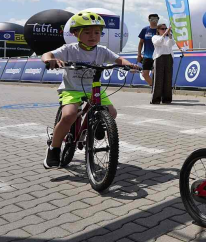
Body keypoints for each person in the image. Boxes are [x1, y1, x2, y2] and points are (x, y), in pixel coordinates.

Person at [41, 11, 138, 169]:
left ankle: (94, 126)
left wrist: (129, 65)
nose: (92, 36)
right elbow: (48, 54)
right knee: (69, 115)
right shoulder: (69, 49)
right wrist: (50, 60)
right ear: (75, 33)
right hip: (72, 89)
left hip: (94, 88)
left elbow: (118, 59)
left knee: (112, 113)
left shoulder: (102, 50)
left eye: (97, 32)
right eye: (87, 32)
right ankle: (54, 149)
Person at [151, 21, 175, 105]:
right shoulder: (155, 37)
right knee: (158, 79)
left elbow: (171, 44)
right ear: (158, 30)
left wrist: (170, 35)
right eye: (162, 29)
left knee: (168, 79)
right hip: (159, 57)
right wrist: (164, 34)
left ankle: (167, 99)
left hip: (168, 57)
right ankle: (156, 99)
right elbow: (158, 43)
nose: (164, 30)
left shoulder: (168, 37)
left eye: (165, 28)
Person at [137, 14, 159, 86]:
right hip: (147, 56)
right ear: (149, 20)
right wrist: (139, 54)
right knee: (144, 74)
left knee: (155, 73)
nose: (154, 21)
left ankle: (157, 89)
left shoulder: (160, 30)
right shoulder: (145, 30)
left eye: (156, 19)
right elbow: (141, 43)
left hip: (157, 56)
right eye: (152, 19)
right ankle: (154, 87)